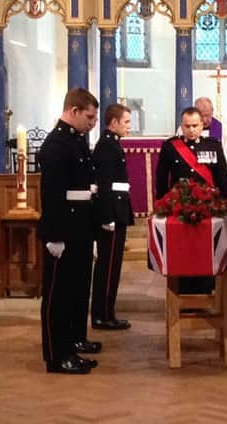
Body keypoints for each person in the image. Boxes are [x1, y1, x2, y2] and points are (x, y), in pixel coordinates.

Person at [37, 87, 101, 375]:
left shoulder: (74, 141)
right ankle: (56, 354)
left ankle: (70, 347)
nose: (92, 122)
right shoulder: (56, 145)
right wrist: (54, 236)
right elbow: (52, 195)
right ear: (73, 111)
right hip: (63, 231)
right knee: (57, 297)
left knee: (74, 292)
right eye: (88, 116)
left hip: (79, 228)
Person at [156, 107, 227, 294]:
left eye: (195, 125)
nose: (191, 130)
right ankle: (183, 291)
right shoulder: (171, 147)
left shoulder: (213, 145)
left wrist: (223, 204)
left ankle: (206, 290)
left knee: (204, 250)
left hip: (207, 209)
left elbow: (221, 177)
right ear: (181, 126)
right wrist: (162, 205)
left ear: (202, 124)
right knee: (182, 251)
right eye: (187, 126)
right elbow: (162, 178)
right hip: (178, 210)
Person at [91, 104, 134, 330]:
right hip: (112, 213)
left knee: (113, 265)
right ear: (114, 122)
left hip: (117, 210)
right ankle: (102, 315)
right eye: (126, 122)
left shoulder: (112, 144)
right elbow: (105, 184)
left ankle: (107, 312)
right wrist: (107, 216)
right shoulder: (108, 146)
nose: (129, 126)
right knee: (108, 266)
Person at [177, 97, 227, 181]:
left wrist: (219, 181)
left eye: (208, 115)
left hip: (214, 182)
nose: (205, 120)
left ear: (212, 112)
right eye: (202, 115)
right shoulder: (183, 130)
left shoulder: (224, 130)